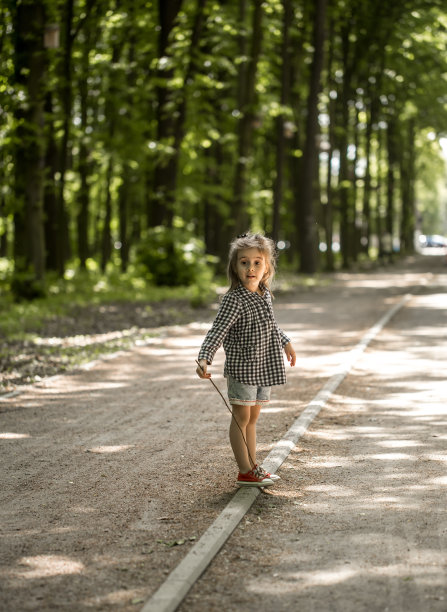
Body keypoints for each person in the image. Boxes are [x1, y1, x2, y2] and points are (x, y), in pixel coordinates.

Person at [196, 232, 296, 487]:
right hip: (243, 369)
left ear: (267, 267)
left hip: (263, 366)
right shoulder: (234, 300)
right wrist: (205, 357)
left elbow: (271, 326)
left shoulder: (263, 294)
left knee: (253, 418)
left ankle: (253, 466)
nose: (250, 268)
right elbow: (217, 331)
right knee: (241, 417)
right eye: (244, 262)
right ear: (235, 266)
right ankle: (244, 470)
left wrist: (285, 342)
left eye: (257, 262)